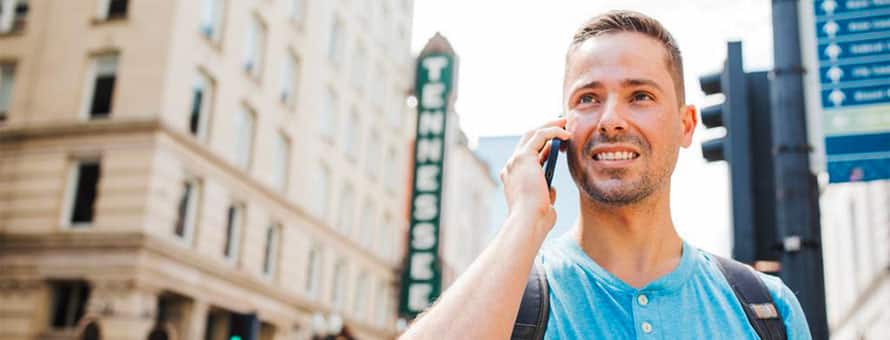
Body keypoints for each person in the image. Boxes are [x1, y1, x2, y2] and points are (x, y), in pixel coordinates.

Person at [399, 10, 812, 339]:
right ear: (561, 127)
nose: (611, 120)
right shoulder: (504, 304)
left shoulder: (768, 310)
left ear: (686, 126)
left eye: (641, 96)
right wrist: (523, 221)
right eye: (589, 98)